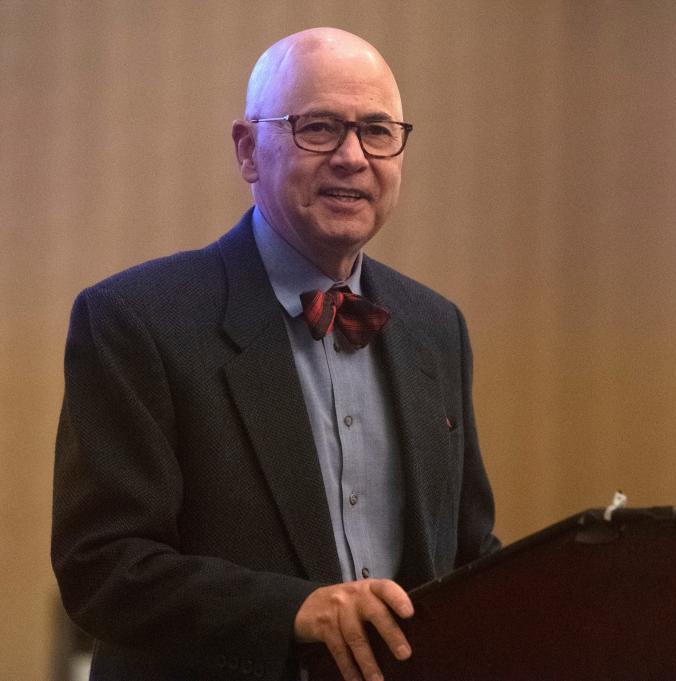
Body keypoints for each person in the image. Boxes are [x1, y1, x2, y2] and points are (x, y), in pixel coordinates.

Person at [51, 27, 499, 681]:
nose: (352, 156)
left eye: (378, 131)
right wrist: (298, 612)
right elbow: (104, 567)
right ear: (248, 150)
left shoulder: (436, 328)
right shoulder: (135, 320)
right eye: (318, 127)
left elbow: (469, 554)